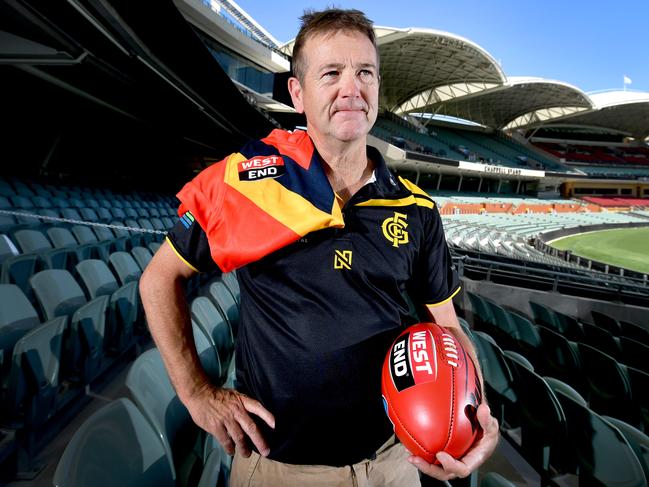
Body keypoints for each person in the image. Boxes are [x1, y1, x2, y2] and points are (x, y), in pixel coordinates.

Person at [139, 8, 499, 486]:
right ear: (297, 92)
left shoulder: (417, 208)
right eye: (331, 73)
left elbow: (448, 330)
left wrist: (476, 410)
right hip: (281, 468)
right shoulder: (248, 182)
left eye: (365, 73)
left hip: (394, 462)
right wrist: (197, 393)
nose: (351, 88)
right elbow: (159, 278)